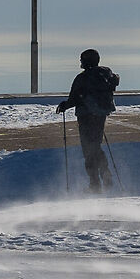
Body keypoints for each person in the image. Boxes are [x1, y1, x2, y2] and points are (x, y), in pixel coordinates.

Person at [56, 47, 121, 191]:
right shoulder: (106, 73)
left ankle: (95, 184)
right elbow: (115, 80)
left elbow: (73, 99)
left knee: (88, 149)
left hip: (86, 116)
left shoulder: (82, 78)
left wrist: (64, 106)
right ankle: (105, 173)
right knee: (96, 145)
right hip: (101, 114)